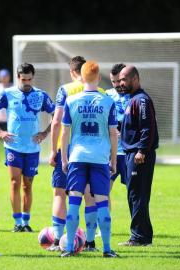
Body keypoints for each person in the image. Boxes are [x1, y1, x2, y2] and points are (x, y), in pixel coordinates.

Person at [60, 61, 118, 258]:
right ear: (98, 77)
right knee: (101, 201)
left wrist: (64, 159)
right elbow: (113, 134)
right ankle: (107, 249)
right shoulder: (108, 101)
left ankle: (68, 249)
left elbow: (64, 132)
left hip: (77, 156)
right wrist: (114, 160)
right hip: (100, 157)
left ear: (81, 77)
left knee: (74, 201)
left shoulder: (71, 100)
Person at [48, 56, 103, 251]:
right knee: (90, 194)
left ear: (73, 72)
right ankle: (90, 242)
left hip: (71, 149)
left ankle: (56, 240)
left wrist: (54, 150)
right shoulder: (101, 92)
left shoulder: (66, 89)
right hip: (95, 151)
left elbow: (56, 122)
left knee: (60, 193)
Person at [0, 63, 55, 233]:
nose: (26, 82)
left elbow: (56, 114)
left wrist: (45, 133)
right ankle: (17, 222)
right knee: (14, 182)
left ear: (32, 77)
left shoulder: (40, 95)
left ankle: (26, 221)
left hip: (33, 148)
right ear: (18, 77)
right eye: (23, 79)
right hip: (13, 146)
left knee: (28, 185)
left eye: (29, 79)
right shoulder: (8, 94)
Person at [118, 65, 159, 246]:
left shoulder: (141, 100)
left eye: (124, 79)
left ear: (135, 79)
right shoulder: (132, 99)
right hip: (131, 153)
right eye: (119, 80)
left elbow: (147, 127)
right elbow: (132, 125)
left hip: (139, 155)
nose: (121, 83)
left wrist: (142, 150)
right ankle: (144, 236)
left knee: (138, 195)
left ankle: (139, 237)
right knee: (135, 195)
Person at [105, 64, 129, 188]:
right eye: (113, 81)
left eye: (118, 81)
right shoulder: (106, 95)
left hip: (129, 154)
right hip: (110, 153)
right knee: (102, 192)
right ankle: (105, 209)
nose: (116, 85)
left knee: (134, 193)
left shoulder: (136, 97)